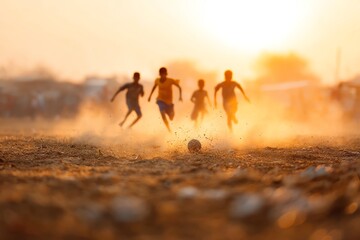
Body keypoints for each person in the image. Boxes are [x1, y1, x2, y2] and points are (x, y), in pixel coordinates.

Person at [148, 67, 182, 132]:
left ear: (166, 74)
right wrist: (150, 96)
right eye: (161, 74)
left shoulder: (170, 81)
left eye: (164, 74)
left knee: (171, 118)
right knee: (162, 114)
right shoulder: (157, 80)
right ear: (160, 74)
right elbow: (154, 87)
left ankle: (167, 111)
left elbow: (179, 87)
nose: (163, 75)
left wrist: (180, 96)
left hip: (169, 102)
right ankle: (169, 129)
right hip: (160, 100)